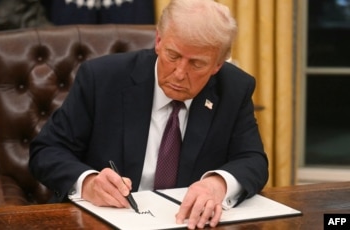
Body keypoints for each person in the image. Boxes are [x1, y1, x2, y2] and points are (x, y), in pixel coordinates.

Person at [29, 0, 269, 229]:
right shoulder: (102, 79)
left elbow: (253, 160)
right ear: (158, 40)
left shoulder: (234, 89)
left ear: (218, 65)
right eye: (172, 56)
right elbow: (47, 151)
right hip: (104, 222)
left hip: (186, 223)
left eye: (196, 64)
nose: (179, 73)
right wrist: (89, 182)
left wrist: (218, 184)